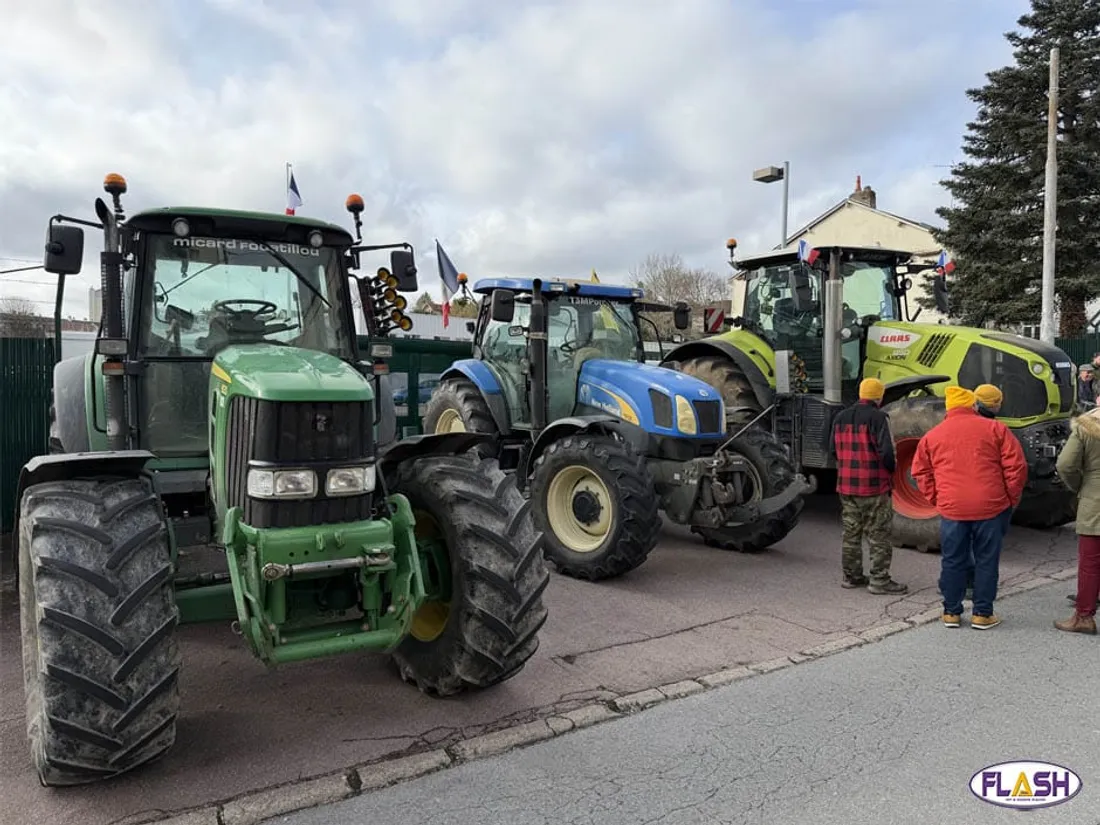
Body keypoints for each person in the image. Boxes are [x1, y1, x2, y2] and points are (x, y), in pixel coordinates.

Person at [910, 386, 1028, 629]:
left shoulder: (933, 435)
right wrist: (1009, 499)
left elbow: (920, 472)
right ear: (973, 406)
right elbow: (1016, 468)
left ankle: (951, 612)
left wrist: (937, 499)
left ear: (949, 408)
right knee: (986, 560)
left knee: (953, 560)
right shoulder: (996, 429)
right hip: (991, 507)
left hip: (952, 509)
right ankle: (982, 614)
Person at [830, 377, 908, 594]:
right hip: (874, 486)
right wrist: (890, 471)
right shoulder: (878, 417)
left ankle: (852, 577)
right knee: (878, 534)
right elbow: (887, 453)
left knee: (851, 533)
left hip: (846, 485)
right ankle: (879, 581)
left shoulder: (840, 417)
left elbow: (832, 451)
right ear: (879, 396)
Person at [1053, 400, 1100, 634]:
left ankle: (1084, 616)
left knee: (1090, 563)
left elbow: (1065, 465)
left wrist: (1080, 486)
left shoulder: (1085, 426)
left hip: (1095, 501)